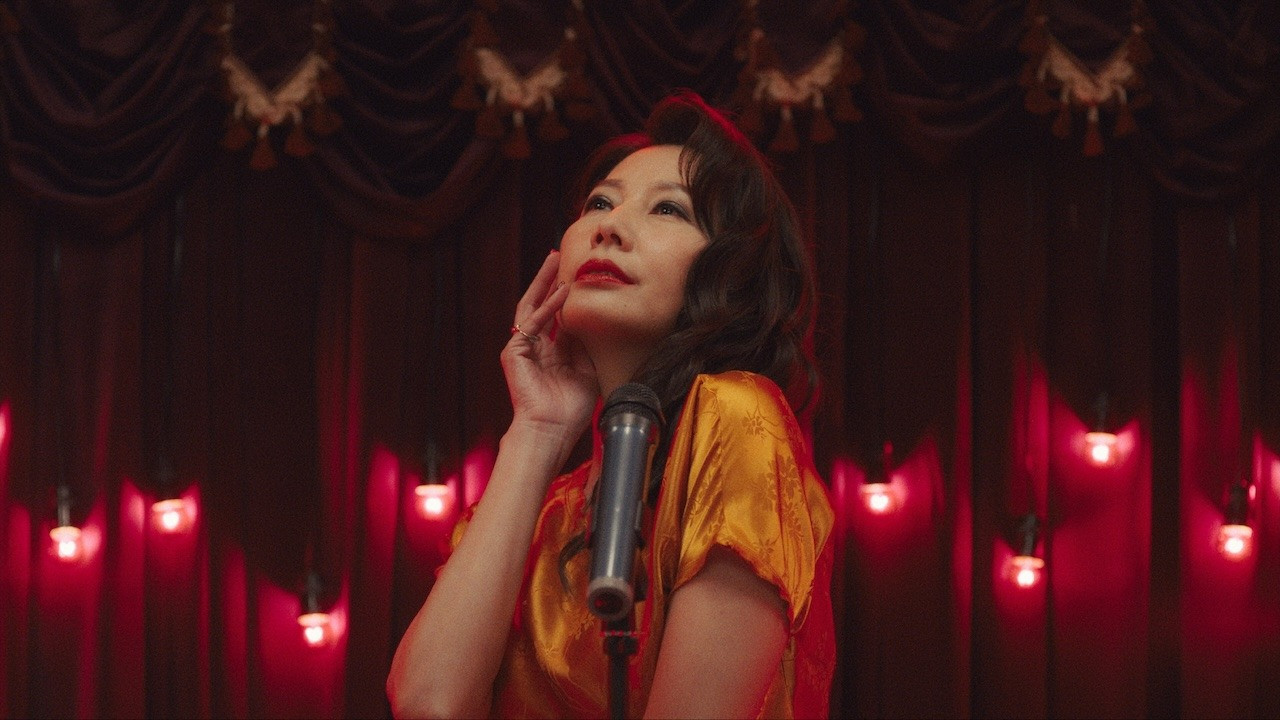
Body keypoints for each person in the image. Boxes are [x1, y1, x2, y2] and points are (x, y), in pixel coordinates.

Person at [387, 91, 834, 719]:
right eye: (600, 202)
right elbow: (429, 703)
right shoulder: (543, 511)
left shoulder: (738, 417)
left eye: (669, 209)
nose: (609, 227)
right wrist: (538, 430)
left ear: (730, 272)